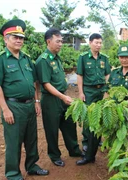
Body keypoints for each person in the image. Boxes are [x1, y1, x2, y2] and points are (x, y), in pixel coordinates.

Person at [0, 19, 48, 180]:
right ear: (5, 39)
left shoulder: (27, 58)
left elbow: (34, 82)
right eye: (15, 37)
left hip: (29, 106)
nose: (19, 40)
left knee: (31, 139)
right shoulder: (0, 59)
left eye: (21, 37)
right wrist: (5, 109)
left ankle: (32, 165)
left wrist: (36, 101)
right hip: (13, 107)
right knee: (14, 142)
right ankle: (13, 174)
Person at [76, 45, 128, 165]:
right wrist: (104, 105)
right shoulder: (114, 73)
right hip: (112, 109)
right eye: (121, 57)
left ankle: (126, 162)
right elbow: (107, 91)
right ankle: (89, 156)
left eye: (126, 57)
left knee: (124, 137)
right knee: (95, 128)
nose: (124, 60)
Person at [35, 28, 82, 167]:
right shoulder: (43, 60)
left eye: (62, 41)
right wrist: (62, 97)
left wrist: (63, 96)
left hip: (62, 97)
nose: (61, 44)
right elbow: (46, 83)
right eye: (58, 41)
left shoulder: (57, 57)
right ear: (48, 41)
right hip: (51, 100)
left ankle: (74, 150)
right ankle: (55, 156)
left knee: (69, 124)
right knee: (52, 129)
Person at [76, 33, 111, 165]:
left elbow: (107, 74)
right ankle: (86, 142)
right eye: (96, 42)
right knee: (88, 117)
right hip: (89, 90)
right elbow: (80, 75)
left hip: (101, 90)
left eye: (100, 43)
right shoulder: (83, 58)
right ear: (90, 43)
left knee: (100, 115)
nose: (99, 45)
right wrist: (81, 92)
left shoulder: (104, 58)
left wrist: (107, 90)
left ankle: (97, 139)